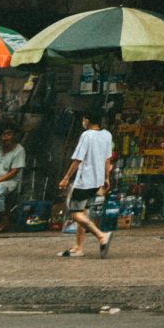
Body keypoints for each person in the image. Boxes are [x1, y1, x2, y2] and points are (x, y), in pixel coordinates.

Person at [55, 111, 113, 259]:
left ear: (87, 120)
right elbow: (107, 159)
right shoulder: (107, 135)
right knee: (83, 211)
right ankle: (79, 247)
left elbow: (77, 159)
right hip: (97, 181)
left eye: (84, 120)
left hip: (84, 181)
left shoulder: (86, 135)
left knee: (76, 213)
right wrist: (107, 178)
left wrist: (66, 178)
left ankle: (101, 236)